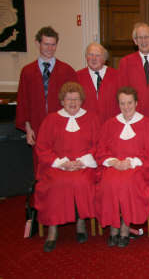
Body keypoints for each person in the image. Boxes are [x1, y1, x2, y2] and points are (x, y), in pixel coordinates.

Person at [34, 82, 100, 252]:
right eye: (68, 99)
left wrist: (81, 161)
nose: (72, 102)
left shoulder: (91, 118)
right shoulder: (51, 120)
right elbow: (42, 147)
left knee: (81, 183)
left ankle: (80, 224)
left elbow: (98, 144)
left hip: (84, 166)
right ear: (62, 101)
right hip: (57, 166)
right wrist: (61, 162)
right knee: (55, 184)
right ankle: (52, 229)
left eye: (76, 99)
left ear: (82, 100)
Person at [96, 86, 149, 248]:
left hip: (138, 169)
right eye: (122, 103)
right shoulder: (110, 124)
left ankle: (124, 226)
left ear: (136, 103)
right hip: (114, 166)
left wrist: (131, 162)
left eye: (129, 103)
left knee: (127, 183)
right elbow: (101, 151)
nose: (126, 107)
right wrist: (114, 162)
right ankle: (114, 226)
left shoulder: (147, 124)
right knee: (108, 183)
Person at [16, 26, 77, 147]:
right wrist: (28, 130)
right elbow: (23, 102)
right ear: (38, 43)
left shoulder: (67, 71)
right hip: (37, 126)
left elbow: (76, 102)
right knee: (41, 161)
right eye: (46, 44)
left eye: (53, 45)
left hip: (62, 126)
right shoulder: (27, 72)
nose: (50, 48)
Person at [77, 42, 120, 122]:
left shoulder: (117, 76)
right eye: (90, 55)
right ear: (86, 57)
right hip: (86, 124)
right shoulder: (77, 77)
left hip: (111, 124)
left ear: (104, 58)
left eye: (98, 55)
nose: (94, 58)